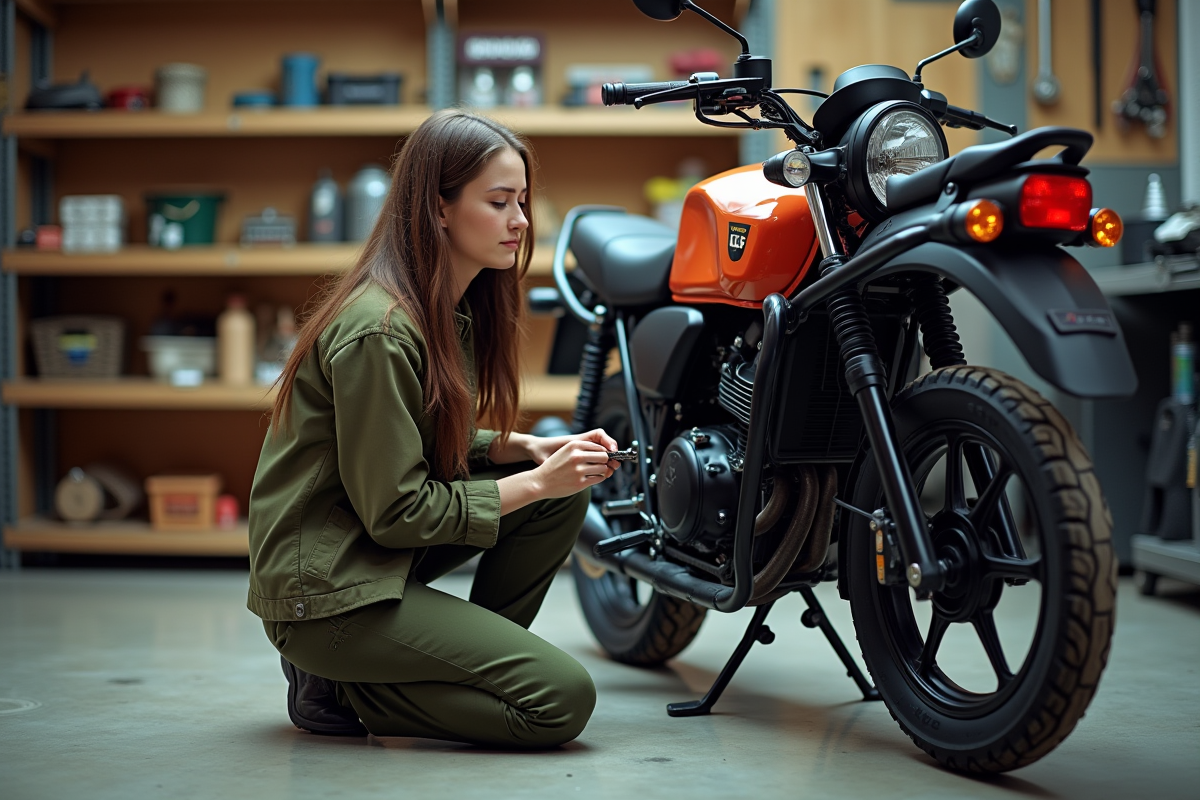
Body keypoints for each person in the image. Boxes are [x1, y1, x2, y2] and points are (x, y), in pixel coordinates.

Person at [247, 109, 621, 749]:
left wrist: (522, 448)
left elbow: (402, 440)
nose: (521, 222)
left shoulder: (443, 310)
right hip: (328, 587)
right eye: (499, 201)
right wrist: (533, 483)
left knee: (562, 495)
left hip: (364, 548)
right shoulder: (380, 330)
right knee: (559, 703)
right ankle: (344, 681)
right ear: (439, 209)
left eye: (522, 202)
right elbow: (397, 509)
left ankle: (429, 663)